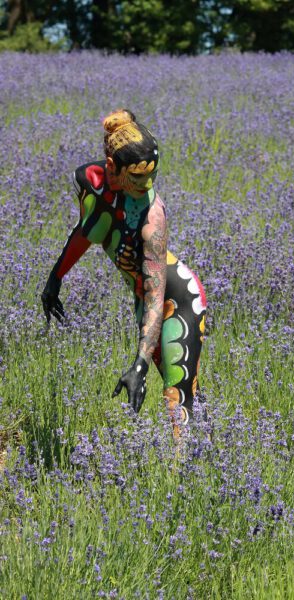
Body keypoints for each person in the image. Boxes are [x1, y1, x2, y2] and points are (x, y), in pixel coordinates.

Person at [42, 109, 207, 437]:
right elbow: (86, 232)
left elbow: (157, 298)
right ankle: (211, 459)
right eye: (137, 179)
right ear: (111, 167)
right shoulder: (87, 182)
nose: (146, 186)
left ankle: (187, 479)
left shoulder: (153, 220)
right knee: (188, 397)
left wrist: (139, 365)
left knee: (177, 397)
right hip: (142, 300)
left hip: (177, 300)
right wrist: (54, 280)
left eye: (150, 177)